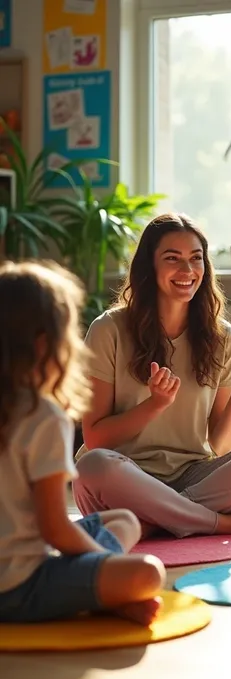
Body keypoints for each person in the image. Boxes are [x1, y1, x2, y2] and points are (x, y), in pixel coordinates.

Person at [73, 213, 231, 539]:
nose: (187, 270)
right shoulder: (109, 330)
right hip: (125, 475)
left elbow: (218, 446)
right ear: (150, 266)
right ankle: (224, 523)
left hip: (192, 474)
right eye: (172, 259)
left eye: (196, 259)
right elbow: (95, 440)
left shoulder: (222, 337)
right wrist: (154, 405)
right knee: (94, 465)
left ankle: (155, 523)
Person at [0, 262, 165, 626]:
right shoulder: (41, 415)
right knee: (148, 573)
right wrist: (110, 566)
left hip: (26, 561)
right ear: (45, 343)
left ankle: (99, 588)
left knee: (123, 520)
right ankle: (106, 595)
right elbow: (55, 530)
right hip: (18, 587)